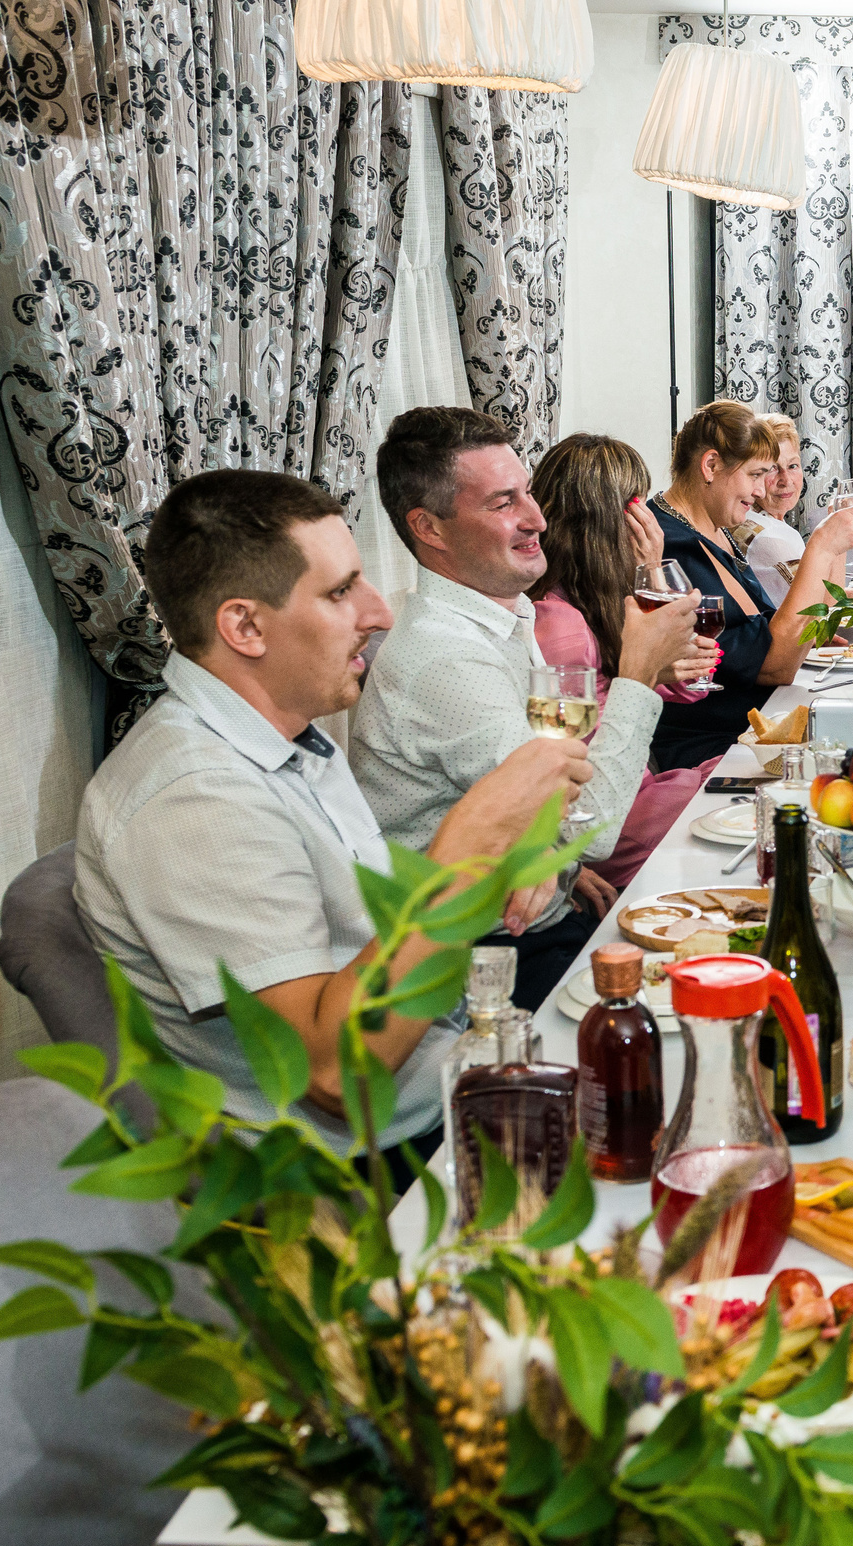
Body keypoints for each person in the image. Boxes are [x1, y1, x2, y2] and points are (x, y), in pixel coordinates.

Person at [74, 470, 591, 1162]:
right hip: (370, 1167)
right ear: (245, 625)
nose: (378, 613)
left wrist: (499, 863)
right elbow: (331, 1075)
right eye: (342, 590)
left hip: (450, 1072)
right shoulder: (194, 797)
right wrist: (462, 858)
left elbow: (364, 942)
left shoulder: (285, 737)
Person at [349, 406, 707, 1011]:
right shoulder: (447, 658)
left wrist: (565, 870)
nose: (537, 519)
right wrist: (640, 673)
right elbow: (587, 828)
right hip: (477, 961)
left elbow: (560, 803)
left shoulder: (503, 617)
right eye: (502, 504)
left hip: (540, 908)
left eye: (530, 495)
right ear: (429, 529)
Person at [529, 432, 726, 889]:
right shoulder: (559, 624)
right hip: (615, 818)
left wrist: (653, 570)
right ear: (612, 517)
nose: (648, 515)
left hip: (635, 795)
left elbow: (691, 684)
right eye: (637, 502)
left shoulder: (595, 597)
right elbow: (587, 783)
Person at [645, 400, 853, 772]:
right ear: (711, 466)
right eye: (755, 475)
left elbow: (764, 626)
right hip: (717, 751)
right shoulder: (670, 546)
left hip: (757, 730)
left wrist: (811, 634)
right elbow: (773, 664)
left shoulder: (714, 529)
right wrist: (822, 545)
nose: (761, 489)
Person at [740, 413, 811, 600]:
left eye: (793, 466)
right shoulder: (768, 537)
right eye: (772, 468)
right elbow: (819, 610)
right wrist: (833, 541)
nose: (786, 480)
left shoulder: (756, 519)